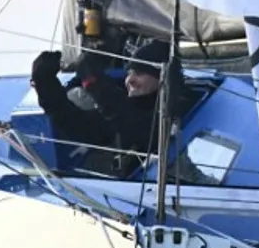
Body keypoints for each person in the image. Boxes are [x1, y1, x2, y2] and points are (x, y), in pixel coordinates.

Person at [30, 39, 196, 174]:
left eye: (139, 73)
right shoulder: (130, 105)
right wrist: (44, 82)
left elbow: (141, 129)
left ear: (162, 77)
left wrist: (94, 82)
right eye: (129, 73)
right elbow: (78, 125)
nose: (129, 80)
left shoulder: (182, 107)